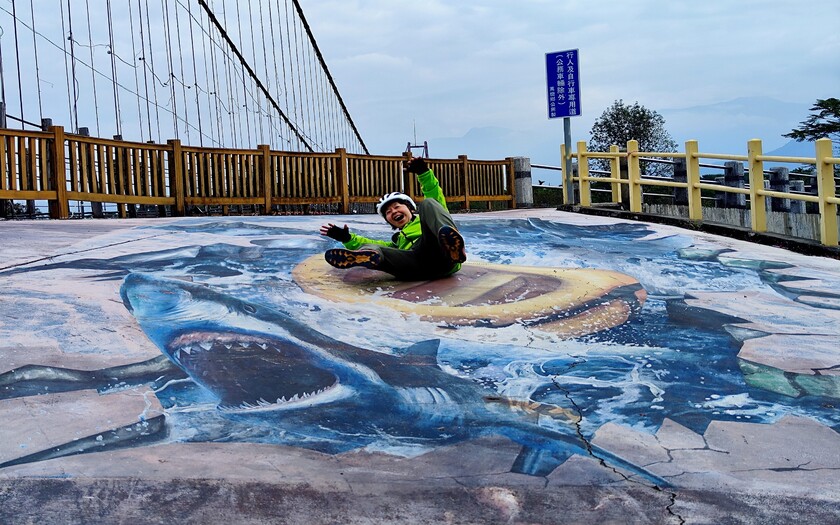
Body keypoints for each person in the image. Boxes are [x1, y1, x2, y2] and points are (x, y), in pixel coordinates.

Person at [319, 156, 466, 281]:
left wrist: (423, 173)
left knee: (429, 203)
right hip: (415, 268)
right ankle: (362, 258)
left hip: (442, 256)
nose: (393, 211)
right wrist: (347, 238)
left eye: (397, 207)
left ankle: (452, 248)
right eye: (388, 212)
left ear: (410, 208)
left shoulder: (426, 221)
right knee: (374, 249)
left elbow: (433, 194)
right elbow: (370, 242)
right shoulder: (398, 241)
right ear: (388, 220)